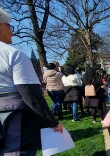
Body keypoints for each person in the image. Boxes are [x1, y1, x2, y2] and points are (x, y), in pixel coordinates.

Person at [0, 8, 63, 155]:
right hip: (13, 119)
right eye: (10, 26)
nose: (12, 32)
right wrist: (51, 122)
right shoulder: (14, 54)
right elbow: (31, 95)